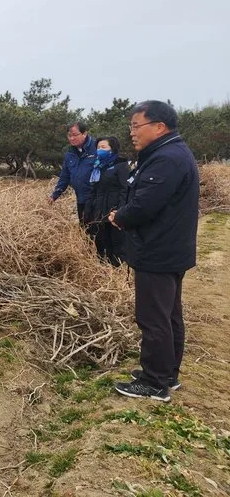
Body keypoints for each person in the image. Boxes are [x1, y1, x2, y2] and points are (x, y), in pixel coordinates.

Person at [108, 101, 199, 402]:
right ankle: (167, 373)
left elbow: (145, 205)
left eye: (136, 126)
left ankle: (154, 382)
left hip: (158, 250)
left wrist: (120, 217)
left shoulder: (166, 159)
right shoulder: (170, 153)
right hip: (170, 248)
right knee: (169, 314)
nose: (132, 132)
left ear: (159, 127)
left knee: (153, 317)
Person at [83, 136, 129, 266]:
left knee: (117, 241)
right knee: (104, 240)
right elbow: (95, 189)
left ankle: (117, 267)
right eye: (98, 147)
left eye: (103, 147)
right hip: (100, 210)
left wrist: (120, 209)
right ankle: (106, 266)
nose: (99, 150)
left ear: (112, 149)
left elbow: (125, 189)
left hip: (114, 209)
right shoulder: (98, 166)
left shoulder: (120, 165)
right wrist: (89, 208)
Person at [48, 122, 97, 226]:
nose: (71, 138)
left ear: (84, 133)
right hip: (81, 198)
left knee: (96, 229)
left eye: (75, 135)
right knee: (84, 228)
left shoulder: (97, 148)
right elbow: (64, 177)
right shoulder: (70, 154)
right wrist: (54, 195)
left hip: (96, 199)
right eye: (69, 136)